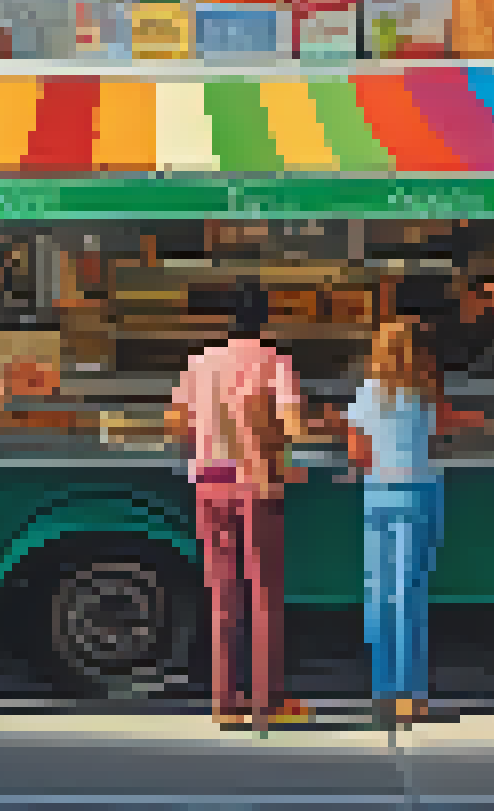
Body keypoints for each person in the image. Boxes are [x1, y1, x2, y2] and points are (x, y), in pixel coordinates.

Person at [171, 277, 312, 732]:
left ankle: (224, 701)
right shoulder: (275, 362)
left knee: (223, 595)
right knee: (264, 593)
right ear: (265, 317)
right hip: (256, 482)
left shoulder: (200, 362)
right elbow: (292, 426)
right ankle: (266, 701)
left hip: (209, 483)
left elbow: (178, 423)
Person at [346, 317, 485, 728]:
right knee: (411, 595)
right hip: (418, 494)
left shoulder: (367, 393)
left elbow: (357, 451)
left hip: (377, 496)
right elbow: (442, 429)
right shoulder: (426, 391)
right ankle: (414, 696)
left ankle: (383, 692)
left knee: (379, 594)